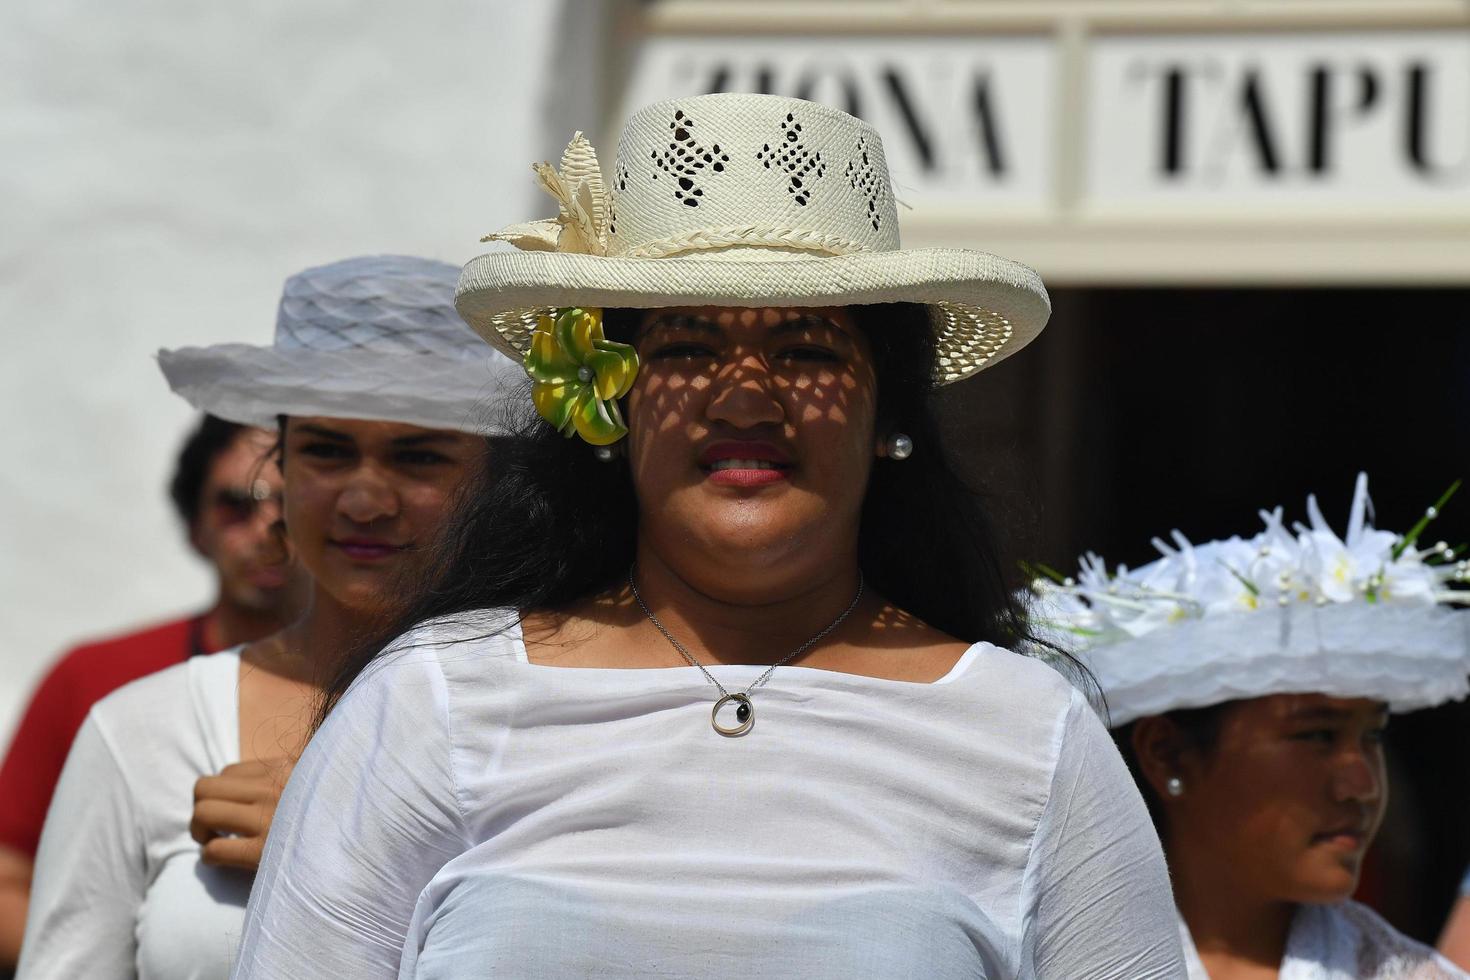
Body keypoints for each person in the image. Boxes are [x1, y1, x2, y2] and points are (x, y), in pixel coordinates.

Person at [236, 94, 1186, 978]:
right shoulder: (430, 702)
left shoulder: (1031, 733)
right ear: (607, 401)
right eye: (685, 349)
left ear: (889, 412)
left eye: (807, 352)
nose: (743, 398)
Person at [16, 255, 522, 980]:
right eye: (325, 450)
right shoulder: (145, 733)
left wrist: (341, 841)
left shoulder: (565, 714)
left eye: (419, 457)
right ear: (278, 464)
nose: (365, 501)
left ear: (494, 478)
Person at [1034, 473, 1470, 979]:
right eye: (1318, 735)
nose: (1363, 785)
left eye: (1371, 734)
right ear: (1168, 754)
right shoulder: (1043, 960)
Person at [0, 415, 294, 970]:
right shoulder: (94, 676)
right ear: (195, 527)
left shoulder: (396, 678)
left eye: (287, 500)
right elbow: (5, 878)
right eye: (237, 504)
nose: (267, 526)